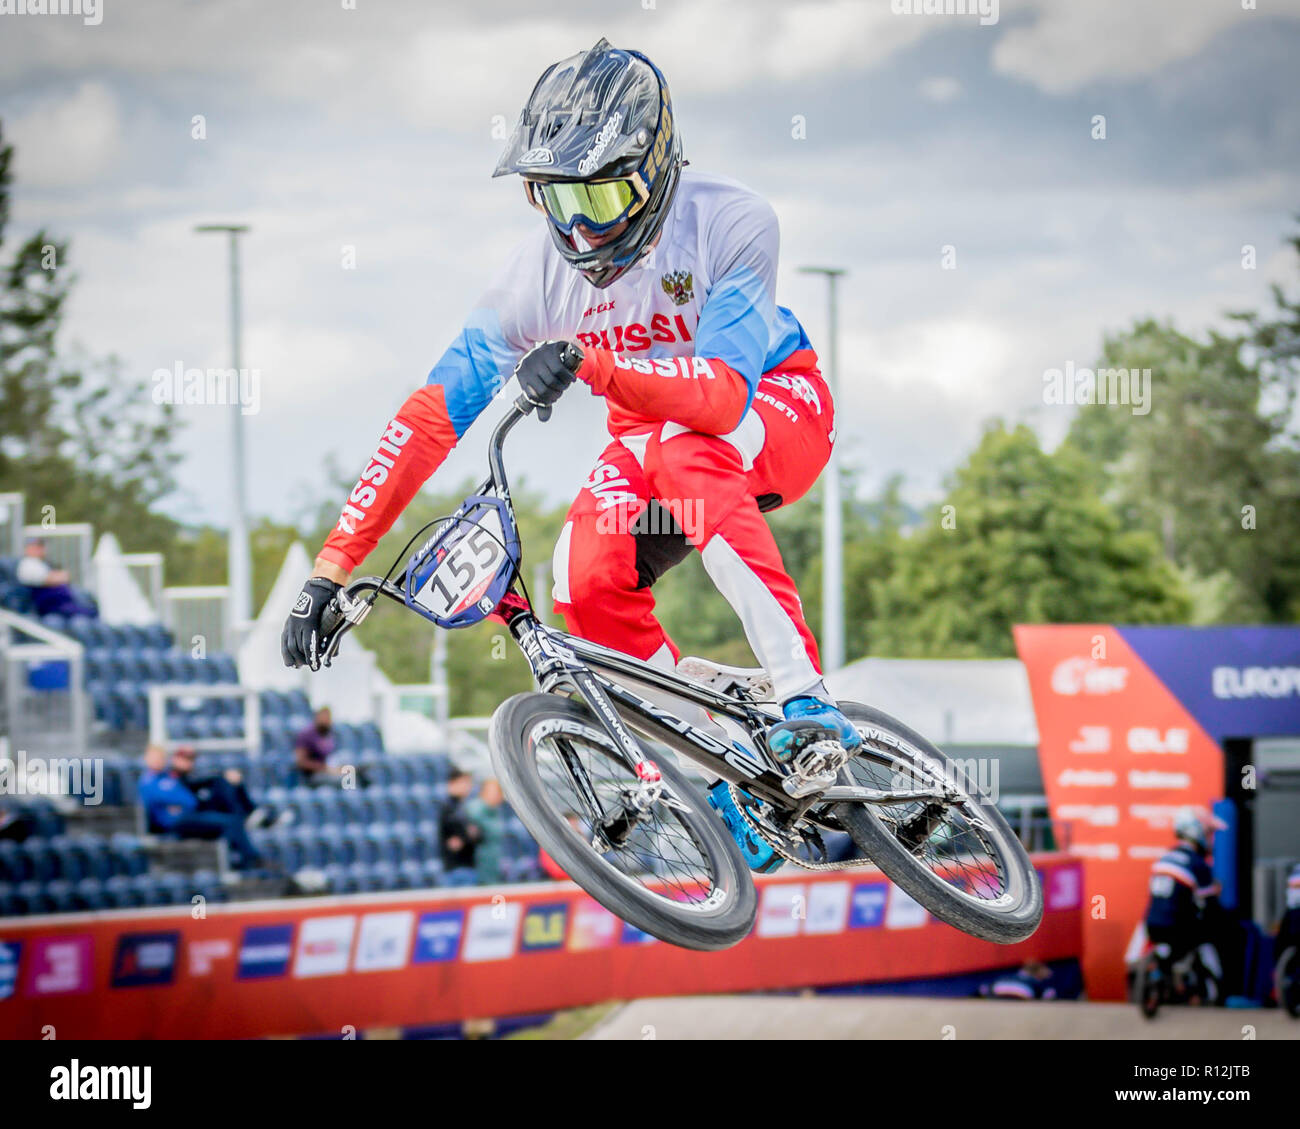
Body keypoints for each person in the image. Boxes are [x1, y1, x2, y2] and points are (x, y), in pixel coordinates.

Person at [280, 38, 861, 871]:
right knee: (579, 576)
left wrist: (598, 364)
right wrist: (331, 568)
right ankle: (720, 775)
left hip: (774, 403)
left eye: (603, 193)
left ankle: (808, 697)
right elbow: (427, 420)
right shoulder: (532, 281)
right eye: (558, 199)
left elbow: (721, 397)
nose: (584, 225)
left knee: (678, 443)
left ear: (656, 169)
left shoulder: (733, 221)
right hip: (647, 438)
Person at [137, 744, 264, 870]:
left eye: (161, 757)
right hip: (175, 822)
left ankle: (240, 860)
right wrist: (177, 802)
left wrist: (177, 803)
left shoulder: (168, 777)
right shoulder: (148, 781)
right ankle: (250, 858)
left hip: (189, 816)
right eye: (155, 757)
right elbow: (179, 800)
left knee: (225, 793)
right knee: (230, 822)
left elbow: (188, 800)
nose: (158, 761)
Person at [1143, 807, 1224, 989]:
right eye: (1209, 834)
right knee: (1210, 939)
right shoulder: (1197, 863)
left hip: (1151, 926)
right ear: (1196, 832)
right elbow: (1210, 906)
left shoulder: (1164, 858)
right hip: (1178, 928)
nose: (1211, 839)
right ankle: (1218, 992)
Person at [15, 537, 98, 618]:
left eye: (40, 546)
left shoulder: (42, 563)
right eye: (35, 547)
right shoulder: (27, 564)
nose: (39, 549)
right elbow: (48, 579)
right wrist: (58, 576)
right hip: (49, 604)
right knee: (88, 613)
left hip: (62, 602)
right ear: (27, 549)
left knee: (89, 610)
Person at [438, 767, 481, 885]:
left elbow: (477, 835)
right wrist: (468, 835)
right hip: (456, 868)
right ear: (452, 783)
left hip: (465, 866)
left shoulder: (463, 807)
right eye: (464, 782)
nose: (468, 786)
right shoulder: (449, 808)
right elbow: (461, 834)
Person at [466, 778, 507, 886]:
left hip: (494, 864)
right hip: (479, 865)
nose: (495, 795)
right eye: (492, 791)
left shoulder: (495, 812)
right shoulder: (475, 808)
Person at [293, 706, 346, 786]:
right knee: (345, 781)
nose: (327, 720)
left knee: (351, 776)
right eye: (324, 717)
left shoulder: (328, 735)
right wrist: (325, 768)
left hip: (328, 772)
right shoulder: (306, 735)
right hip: (313, 776)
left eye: (328, 718)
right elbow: (301, 762)